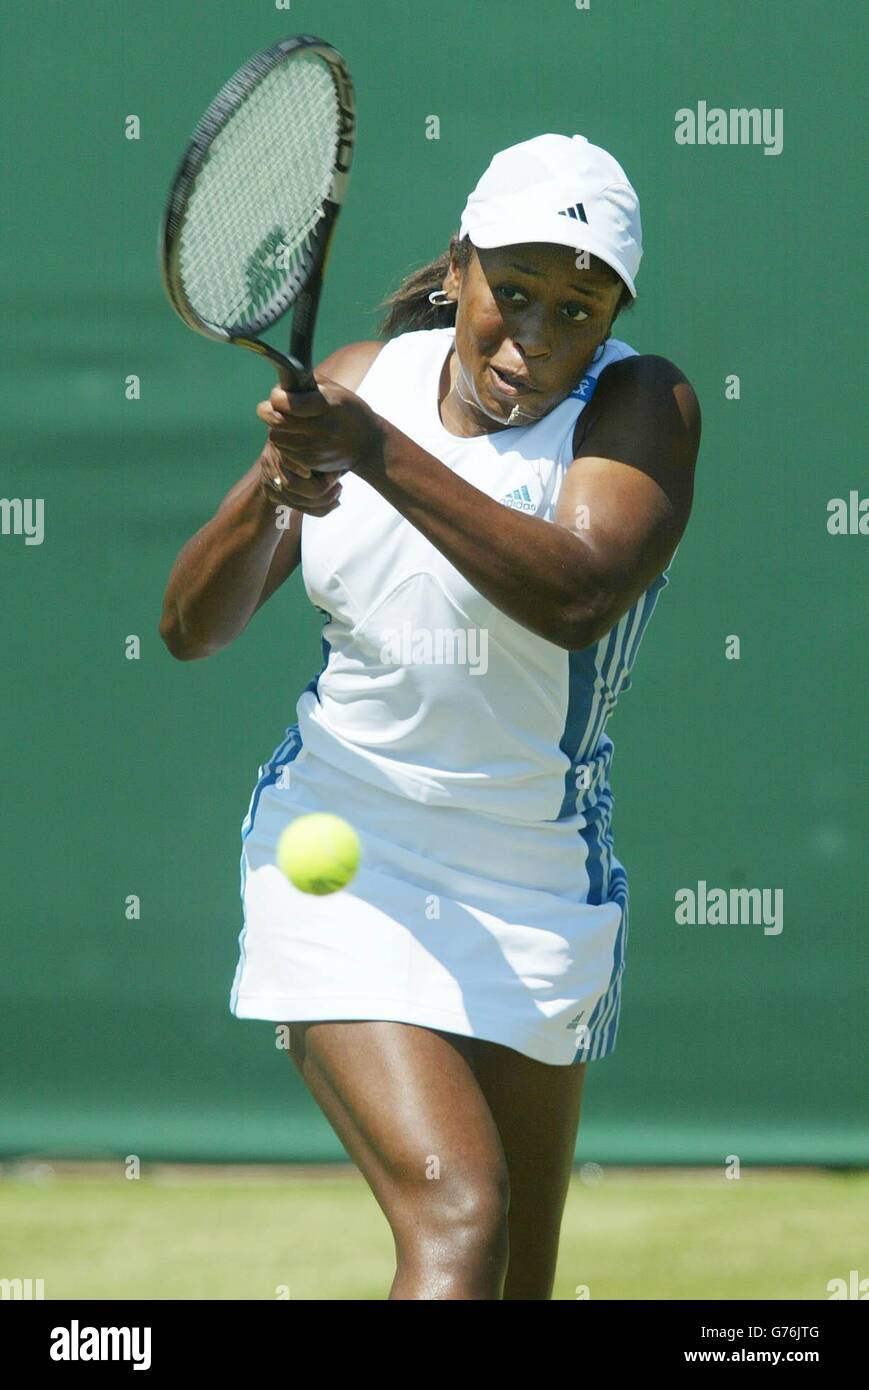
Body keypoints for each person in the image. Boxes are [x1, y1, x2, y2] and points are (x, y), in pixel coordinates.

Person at [160, 133, 701, 1300]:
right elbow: (191, 628)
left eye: (578, 305)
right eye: (512, 292)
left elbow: (576, 592)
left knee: (515, 1283)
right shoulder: (364, 377)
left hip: (535, 881)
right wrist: (274, 485)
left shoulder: (642, 403)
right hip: (345, 853)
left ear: (613, 312)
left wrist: (371, 452)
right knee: (459, 1220)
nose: (539, 336)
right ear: (456, 268)